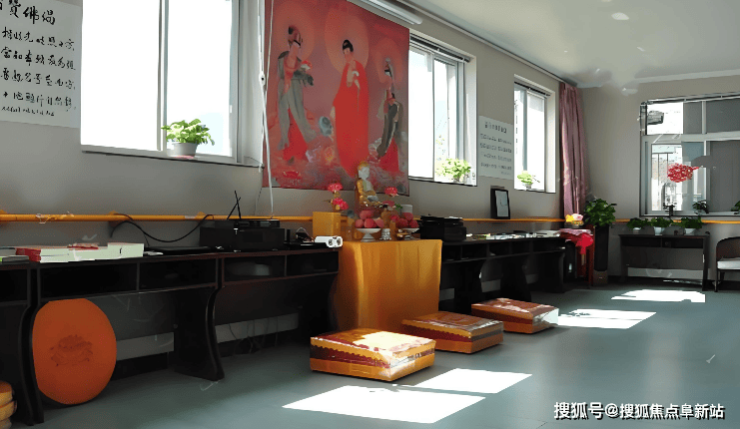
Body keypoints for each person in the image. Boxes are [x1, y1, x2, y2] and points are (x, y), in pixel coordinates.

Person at [277, 25, 316, 162]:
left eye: (298, 39)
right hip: (287, 95)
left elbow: (301, 77)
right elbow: (285, 72)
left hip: (296, 95)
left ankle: (300, 153)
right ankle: (289, 154)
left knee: (298, 121)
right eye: (293, 39)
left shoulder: (299, 62)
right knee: (288, 122)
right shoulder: (283, 57)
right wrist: (298, 74)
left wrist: (306, 76)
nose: (295, 41)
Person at [331, 39, 369, 176]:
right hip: (344, 108)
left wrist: (356, 82)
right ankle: (345, 166)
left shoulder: (359, 67)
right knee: (343, 137)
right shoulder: (346, 68)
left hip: (355, 109)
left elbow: (363, 90)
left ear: (352, 52)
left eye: (348, 51)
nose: (346, 55)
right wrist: (334, 105)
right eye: (344, 52)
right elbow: (342, 88)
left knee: (353, 138)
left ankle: (354, 168)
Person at [376, 58, 402, 173]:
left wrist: (392, 102)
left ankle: (384, 153)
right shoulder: (384, 85)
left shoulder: (391, 85)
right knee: (386, 131)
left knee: (389, 131)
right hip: (387, 107)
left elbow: (392, 95)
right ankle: (382, 152)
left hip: (391, 108)